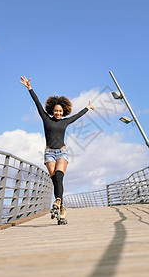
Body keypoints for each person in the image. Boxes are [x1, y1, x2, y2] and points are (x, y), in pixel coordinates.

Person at [20, 75, 95, 224]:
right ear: (52, 110)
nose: (58, 113)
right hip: (49, 154)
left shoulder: (66, 121)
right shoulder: (46, 119)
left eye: (60, 111)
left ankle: (58, 201)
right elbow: (37, 104)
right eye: (56, 111)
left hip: (62, 152)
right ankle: (62, 208)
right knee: (55, 180)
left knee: (59, 176)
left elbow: (78, 116)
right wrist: (29, 88)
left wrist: (87, 108)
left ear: (64, 111)